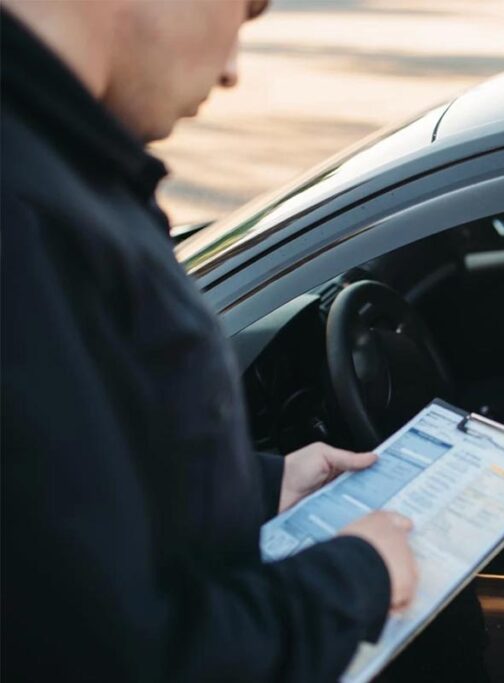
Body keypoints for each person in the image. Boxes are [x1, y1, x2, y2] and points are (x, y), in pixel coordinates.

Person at [0, 1, 417, 680]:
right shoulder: (26, 214)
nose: (230, 70)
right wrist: (355, 578)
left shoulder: (60, 169)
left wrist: (268, 483)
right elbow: (114, 652)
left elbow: (88, 482)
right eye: (247, 8)